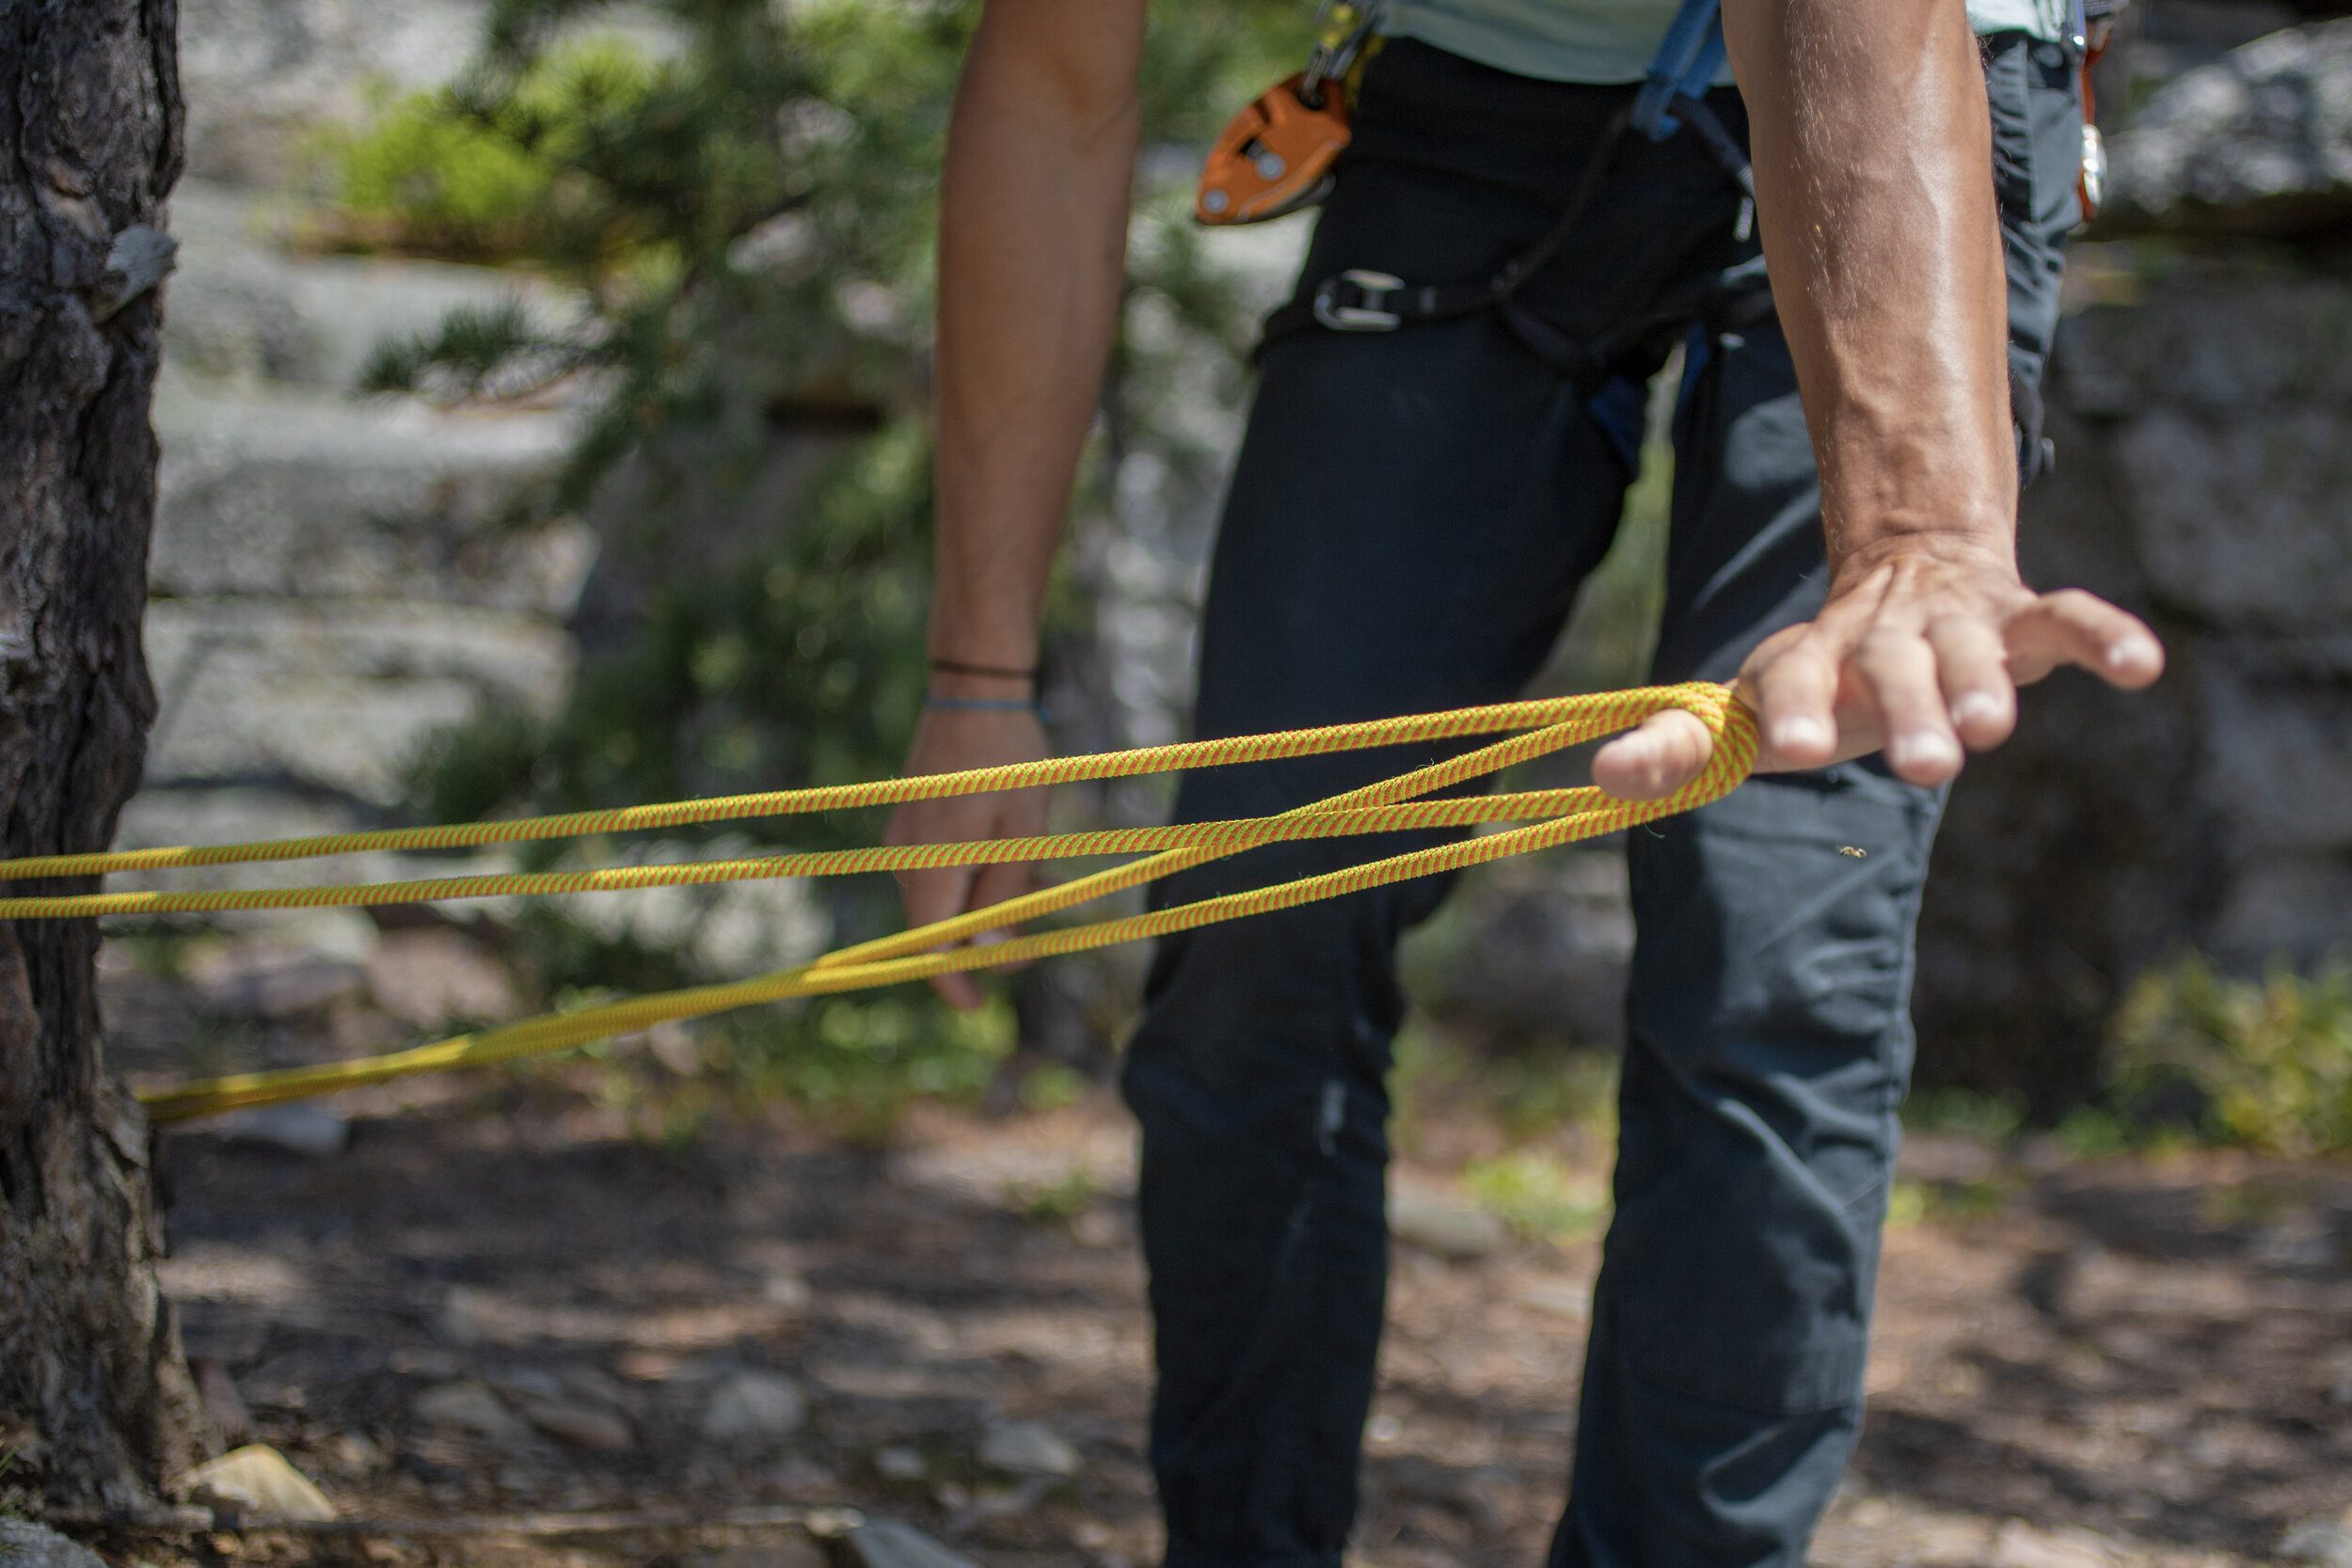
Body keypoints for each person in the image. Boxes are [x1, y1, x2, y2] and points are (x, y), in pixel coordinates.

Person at [885, 0, 2165, 1561]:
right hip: (1484, 100)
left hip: (1898, 89)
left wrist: (1914, 541)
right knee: (1263, 905)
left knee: (1772, 949)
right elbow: (1055, 84)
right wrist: (979, 682)